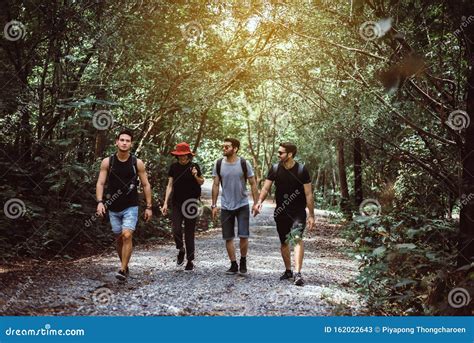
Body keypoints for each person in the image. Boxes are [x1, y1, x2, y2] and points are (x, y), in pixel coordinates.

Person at [255, 142, 315, 286]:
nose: (278, 154)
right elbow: (265, 188)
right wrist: (259, 202)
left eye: (281, 152)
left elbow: (308, 194)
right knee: (284, 242)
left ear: (290, 154)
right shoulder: (275, 169)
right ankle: (288, 270)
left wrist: (311, 215)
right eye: (278, 152)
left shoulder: (301, 170)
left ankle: (298, 273)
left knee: (296, 238)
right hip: (281, 211)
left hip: (298, 212)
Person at [96, 129, 153, 281]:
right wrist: (100, 202)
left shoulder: (137, 163)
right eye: (122, 140)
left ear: (131, 144)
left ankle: (121, 270)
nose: (124, 143)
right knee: (119, 238)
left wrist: (149, 207)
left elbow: (146, 185)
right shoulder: (108, 162)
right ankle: (125, 264)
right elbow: (101, 182)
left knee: (127, 235)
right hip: (113, 206)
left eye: (127, 141)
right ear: (117, 142)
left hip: (131, 205)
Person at [211, 138, 259, 275]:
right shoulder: (219, 163)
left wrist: (256, 203)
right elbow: (215, 185)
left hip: (242, 204)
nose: (224, 148)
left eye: (227, 147)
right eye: (223, 146)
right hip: (226, 205)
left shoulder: (244, 163)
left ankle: (243, 260)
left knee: (244, 235)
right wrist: (214, 205)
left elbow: (253, 183)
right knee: (228, 237)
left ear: (235, 148)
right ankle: (233, 264)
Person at [161, 142, 204, 271]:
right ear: (177, 156)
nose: (182, 157)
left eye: (184, 155)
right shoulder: (173, 167)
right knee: (176, 229)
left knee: (189, 232)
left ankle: (190, 260)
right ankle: (181, 249)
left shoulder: (194, 166)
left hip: (191, 203)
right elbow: (169, 185)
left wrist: (195, 175)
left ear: (188, 155)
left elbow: (201, 182)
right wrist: (165, 202)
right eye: (180, 155)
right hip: (177, 202)